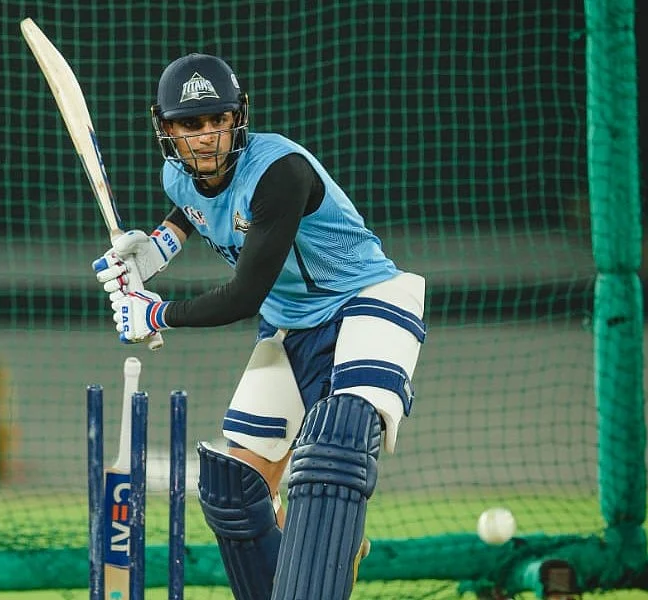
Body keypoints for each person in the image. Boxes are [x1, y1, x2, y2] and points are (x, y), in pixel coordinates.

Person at [91, 53, 427, 600]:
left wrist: (155, 313)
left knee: (332, 457)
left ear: (236, 118)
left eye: (215, 120)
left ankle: (331, 540)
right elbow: (193, 210)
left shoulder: (279, 173)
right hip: (290, 325)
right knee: (234, 491)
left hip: (365, 303)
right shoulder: (175, 175)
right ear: (168, 128)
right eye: (189, 125)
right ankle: (315, 566)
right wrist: (154, 250)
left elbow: (243, 296)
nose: (204, 137)